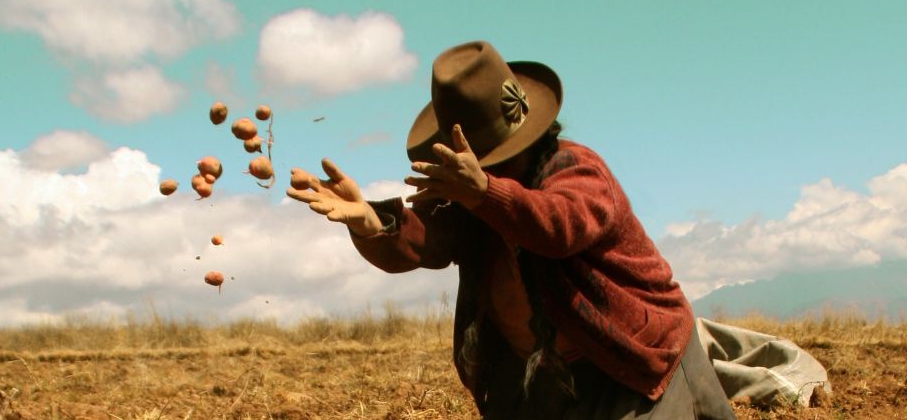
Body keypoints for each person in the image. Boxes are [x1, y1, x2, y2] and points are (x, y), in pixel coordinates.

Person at [287, 41, 736, 419]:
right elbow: (430, 237)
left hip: (632, 361)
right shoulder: (467, 198)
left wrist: (484, 192)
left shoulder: (576, 168)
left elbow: (557, 227)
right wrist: (374, 223)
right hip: (541, 374)